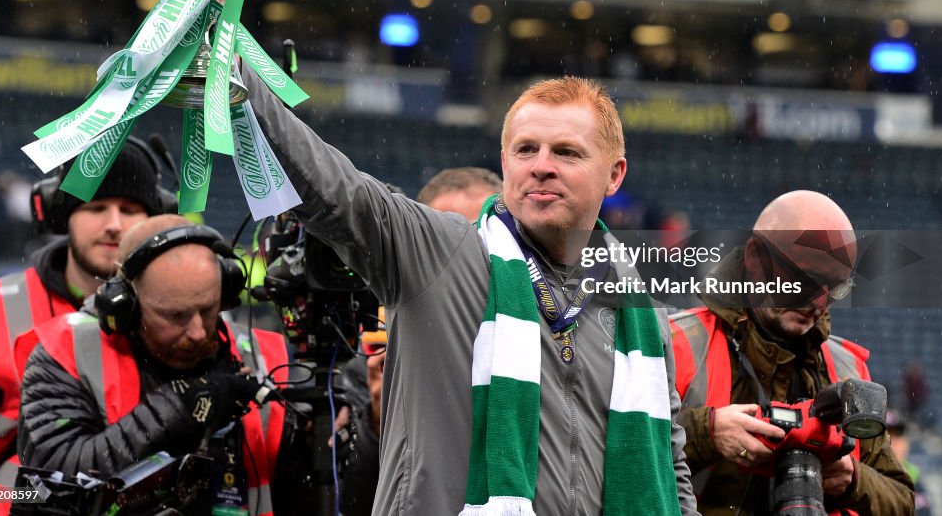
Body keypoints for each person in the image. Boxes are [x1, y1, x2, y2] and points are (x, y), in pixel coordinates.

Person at [243, 69, 698, 515]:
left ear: (614, 175)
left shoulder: (639, 308)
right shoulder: (440, 253)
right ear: (505, 164)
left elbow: (668, 461)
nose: (542, 166)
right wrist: (237, 73)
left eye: (566, 153)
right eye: (525, 150)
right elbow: (336, 191)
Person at [16, 214, 367, 514]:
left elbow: (299, 500)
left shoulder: (264, 355)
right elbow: (50, 482)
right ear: (125, 305)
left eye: (208, 309)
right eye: (176, 315)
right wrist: (185, 405)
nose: (198, 331)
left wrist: (316, 449)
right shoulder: (65, 352)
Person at [0, 137, 170, 512]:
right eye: (96, 206)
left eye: (130, 208)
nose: (114, 225)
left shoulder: (184, 314)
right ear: (59, 213)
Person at [669, 190, 915, 514]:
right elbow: (611, 460)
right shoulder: (670, 345)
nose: (818, 303)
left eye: (836, 288)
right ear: (756, 257)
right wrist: (707, 432)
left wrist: (854, 481)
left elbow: (902, 500)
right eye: (806, 280)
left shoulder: (847, 370)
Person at [342, 166, 504, 515]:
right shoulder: (371, 360)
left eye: (477, 236)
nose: (459, 252)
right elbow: (343, 498)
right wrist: (374, 427)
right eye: (442, 236)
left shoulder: (546, 341)